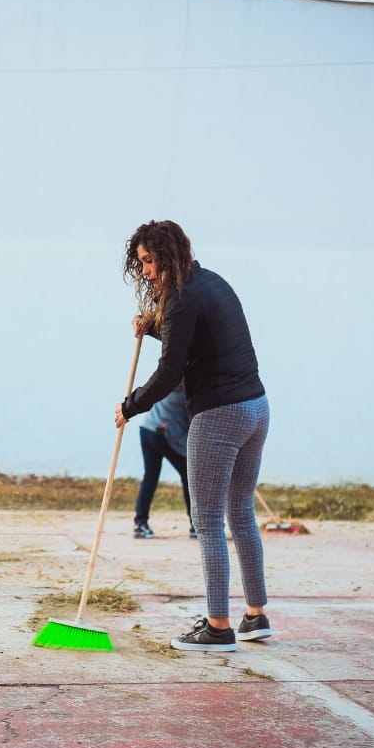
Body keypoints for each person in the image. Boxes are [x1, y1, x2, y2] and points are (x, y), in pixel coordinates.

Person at [114, 220, 271, 652]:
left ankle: (218, 627)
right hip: (256, 408)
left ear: (166, 256)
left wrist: (130, 406)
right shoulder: (211, 283)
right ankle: (256, 616)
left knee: (206, 522)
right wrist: (151, 327)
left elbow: (169, 371)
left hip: (219, 415)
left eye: (149, 261)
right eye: (141, 263)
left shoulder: (181, 299)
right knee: (240, 513)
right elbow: (193, 339)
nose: (145, 271)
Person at [133, 383, 194, 540]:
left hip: (147, 428)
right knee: (189, 476)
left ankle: (140, 523)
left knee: (150, 477)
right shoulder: (188, 386)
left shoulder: (171, 380)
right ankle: (196, 524)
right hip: (162, 432)